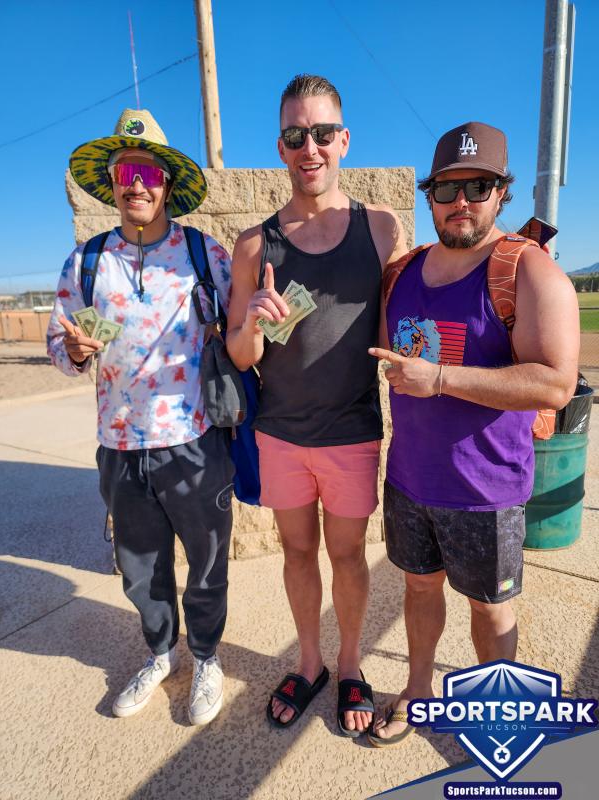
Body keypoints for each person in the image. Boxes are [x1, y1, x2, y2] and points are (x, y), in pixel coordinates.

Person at [367, 121, 580, 746]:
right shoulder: (400, 274)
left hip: (486, 490)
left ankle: (498, 712)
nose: (462, 202)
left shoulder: (529, 271)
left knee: (490, 608)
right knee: (418, 588)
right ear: (429, 195)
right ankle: (418, 690)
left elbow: (554, 384)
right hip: (409, 478)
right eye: (448, 189)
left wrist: (439, 380)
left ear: (501, 193)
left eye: (479, 186)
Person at [226, 74, 407, 736]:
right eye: (296, 135)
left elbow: (407, 328)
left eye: (323, 133)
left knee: (350, 556)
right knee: (296, 554)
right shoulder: (254, 244)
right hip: (280, 435)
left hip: (353, 433)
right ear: (281, 146)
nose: (311, 148)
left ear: (344, 140)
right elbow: (240, 354)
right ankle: (310, 664)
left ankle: (352, 664)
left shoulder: (383, 231)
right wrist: (250, 318)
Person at [47, 108, 235, 726]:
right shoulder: (88, 262)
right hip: (119, 444)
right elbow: (61, 340)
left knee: (206, 560)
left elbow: (248, 327)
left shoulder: (206, 254)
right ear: (112, 180)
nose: (137, 183)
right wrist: (71, 350)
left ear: (167, 183)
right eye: (126, 170)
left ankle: (205, 657)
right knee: (139, 565)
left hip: (195, 441)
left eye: (149, 172)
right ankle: (161, 654)